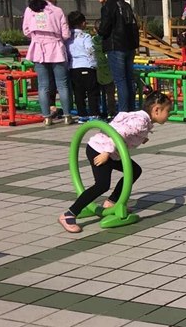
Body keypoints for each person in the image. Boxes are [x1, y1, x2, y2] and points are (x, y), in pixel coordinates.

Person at [58, 91, 174, 233]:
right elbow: (118, 132)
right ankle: (69, 214)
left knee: (135, 171)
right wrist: (107, 152)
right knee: (102, 185)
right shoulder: (140, 121)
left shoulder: (141, 118)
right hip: (100, 150)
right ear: (156, 110)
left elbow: (122, 124)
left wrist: (141, 138)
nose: (169, 115)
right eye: (168, 111)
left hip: (111, 153)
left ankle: (111, 202)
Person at [23, 0, 75, 126]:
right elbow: (66, 34)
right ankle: (67, 116)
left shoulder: (30, 9)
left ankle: (46, 117)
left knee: (43, 85)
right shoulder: (57, 11)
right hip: (56, 49)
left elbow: (26, 31)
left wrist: (37, 36)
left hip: (38, 49)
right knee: (62, 85)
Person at [95, 0, 140, 112]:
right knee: (129, 79)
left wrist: (99, 31)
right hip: (129, 46)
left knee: (120, 81)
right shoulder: (125, 5)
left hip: (115, 46)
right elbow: (133, 25)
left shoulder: (108, 7)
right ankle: (131, 109)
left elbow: (104, 29)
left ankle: (123, 112)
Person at [67, 11, 99, 122]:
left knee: (78, 93)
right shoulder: (86, 36)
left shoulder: (67, 37)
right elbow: (90, 50)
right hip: (87, 66)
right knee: (92, 92)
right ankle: (94, 114)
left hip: (73, 67)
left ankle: (82, 115)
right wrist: (94, 64)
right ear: (83, 23)